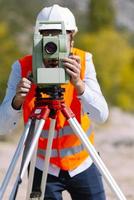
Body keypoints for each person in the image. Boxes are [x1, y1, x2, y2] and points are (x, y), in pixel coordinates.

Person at [0, 4, 109, 200]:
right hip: (43, 166)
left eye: (59, 35)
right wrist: (17, 101)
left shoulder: (83, 62)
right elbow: (1, 127)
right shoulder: (22, 68)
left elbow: (101, 116)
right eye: (46, 35)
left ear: (72, 37)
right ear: (36, 38)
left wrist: (80, 86)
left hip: (82, 163)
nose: (51, 42)